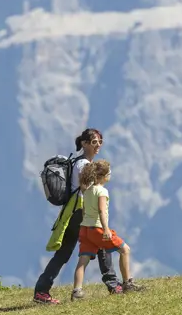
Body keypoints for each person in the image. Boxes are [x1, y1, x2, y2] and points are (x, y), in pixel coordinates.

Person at [33, 128, 126, 304]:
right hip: (81, 211)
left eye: (100, 142)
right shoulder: (83, 164)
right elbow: (87, 190)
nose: (98, 145)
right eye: (94, 142)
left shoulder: (80, 163)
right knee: (102, 242)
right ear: (84, 144)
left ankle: (42, 291)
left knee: (66, 252)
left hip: (76, 212)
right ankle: (114, 285)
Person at [71, 159, 143, 300]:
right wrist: (105, 229)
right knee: (125, 250)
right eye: (109, 172)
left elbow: (84, 211)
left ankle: (77, 291)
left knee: (82, 261)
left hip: (85, 229)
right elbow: (102, 211)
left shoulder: (87, 191)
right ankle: (128, 282)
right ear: (104, 176)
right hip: (98, 229)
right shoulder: (102, 191)